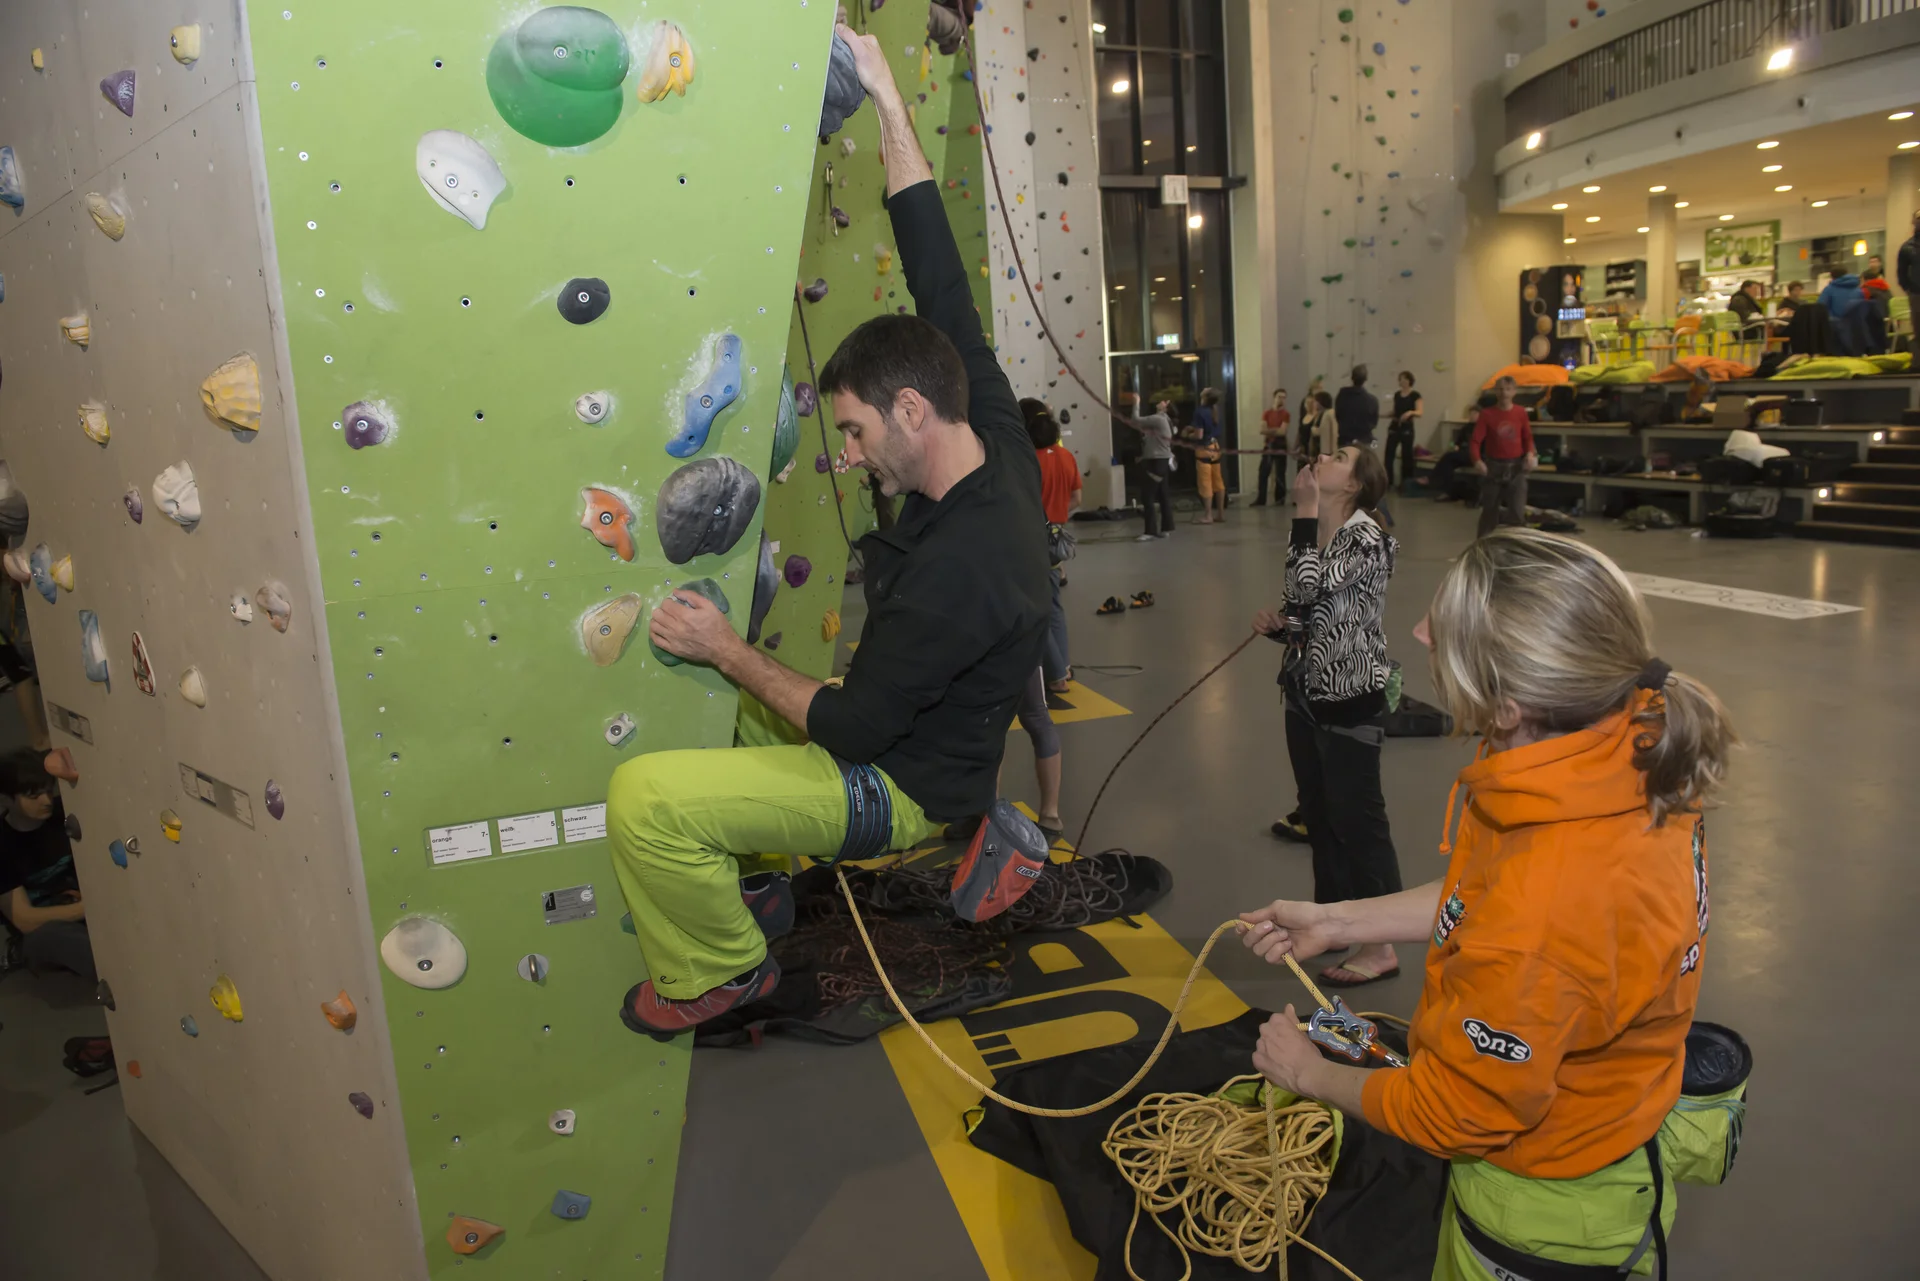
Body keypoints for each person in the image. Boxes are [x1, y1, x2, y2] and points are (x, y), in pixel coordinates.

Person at [611, 26, 1052, 1034]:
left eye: (852, 431)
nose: (846, 454)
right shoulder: (987, 431)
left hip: (892, 788)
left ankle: (722, 972)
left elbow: (852, 730)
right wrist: (889, 102)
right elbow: (938, 270)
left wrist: (726, 648)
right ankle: (757, 883)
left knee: (646, 797)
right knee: (743, 703)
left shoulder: (965, 569)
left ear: (906, 414)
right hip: (912, 735)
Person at [1240, 529, 1736, 1281]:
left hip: (1543, 1204)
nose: (1417, 632)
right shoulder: (1616, 749)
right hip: (1607, 1125)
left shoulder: (1553, 894)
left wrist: (1308, 1073)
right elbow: (1492, 900)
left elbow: (1456, 1112)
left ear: (1507, 704)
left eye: (1443, 629)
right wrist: (1341, 919)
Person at [1252, 444, 1403, 988]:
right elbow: (1310, 608)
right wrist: (1283, 629)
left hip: (1350, 695)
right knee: (1320, 815)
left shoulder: (1365, 536)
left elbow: (1306, 584)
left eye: (1338, 455)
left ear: (1355, 484)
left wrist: (1302, 511)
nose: (1322, 454)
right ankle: (1334, 921)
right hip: (1307, 693)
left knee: (1359, 824)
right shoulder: (1328, 534)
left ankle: (1381, 943)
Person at [0, 749, 92, 981]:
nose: (46, 801)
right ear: (6, 800)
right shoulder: (4, 846)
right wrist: (89, 908)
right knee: (65, 939)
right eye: (34, 796)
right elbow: (25, 919)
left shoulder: (63, 814)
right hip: (42, 931)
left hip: (79, 906)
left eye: (48, 791)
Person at [1024, 398, 1080, 692]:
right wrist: (1057, 522)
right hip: (1056, 539)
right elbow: (1077, 499)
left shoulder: (1028, 460)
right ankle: (1065, 666)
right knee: (1054, 605)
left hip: (1032, 537)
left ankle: (1056, 674)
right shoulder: (1065, 456)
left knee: (1034, 606)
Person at [1469, 376, 1536, 539]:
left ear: (1514, 392)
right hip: (1493, 468)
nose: (1504, 393)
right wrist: (1477, 460)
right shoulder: (1487, 414)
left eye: (1507, 389)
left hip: (1516, 468)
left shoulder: (1520, 413)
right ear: (1495, 391)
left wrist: (1530, 453)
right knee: (1489, 512)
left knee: (1517, 512)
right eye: (1500, 389)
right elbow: (1475, 440)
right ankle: (1483, 546)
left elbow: (1527, 437)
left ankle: (1517, 548)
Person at [1130, 395, 1176, 541]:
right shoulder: (1165, 421)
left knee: (1147, 496)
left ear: (1166, 407)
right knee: (1163, 495)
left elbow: (1135, 419)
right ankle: (1166, 528)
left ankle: (1150, 531)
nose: (1161, 401)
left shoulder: (1159, 419)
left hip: (1157, 463)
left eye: (1165, 401)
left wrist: (1136, 403)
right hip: (1162, 461)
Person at [1186, 387, 1227, 524]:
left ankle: (1208, 515)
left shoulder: (1199, 412)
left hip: (1204, 449)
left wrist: (1187, 434)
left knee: (1205, 483)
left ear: (1205, 396)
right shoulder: (1215, 410)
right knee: (1218, 482)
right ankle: (1220, 514)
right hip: (1215, 448)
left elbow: (1199, 435)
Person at [1385, 371, 1422, 492]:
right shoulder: (1397, 395)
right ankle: (1388, 482)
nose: (1400, 381)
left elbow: (1420, 411)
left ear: (1408, 380)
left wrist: (1410, 412)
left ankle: (1406, 483)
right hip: (1395, 426)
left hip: (1407, 427)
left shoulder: (1415, 395)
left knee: (1407, 455)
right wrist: (1381, 415)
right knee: (1389, 454)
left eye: (1402, 379)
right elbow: (1395, 411)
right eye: (1399, 379)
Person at [1253, 389, 1290, 506]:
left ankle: (1280, 499)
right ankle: (1261, 498)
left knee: (1280, 473)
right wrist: (1275, 430)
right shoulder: (1267, 413)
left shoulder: (1286, 414)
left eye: (1284, 397)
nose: (1282, 399)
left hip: (1280, 445)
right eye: (1279, 397)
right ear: (1274, 397)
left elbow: (1283, 432)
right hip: (1268, 445)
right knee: (1263, 472)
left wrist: (1270, 430)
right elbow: (1262, 430)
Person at [1333, 364, 1380, 447]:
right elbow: (1373, 423)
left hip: (1345, 441)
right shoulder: (1372, 400)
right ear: (1366, 379)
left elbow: (1337, 415)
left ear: (1352, 378)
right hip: (1364, 442)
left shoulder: (1342, 396)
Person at [1899, 209, 1920, 354]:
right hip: (1917, 293)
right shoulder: (1907, 248)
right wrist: (1909, 289)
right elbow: (1901, 273)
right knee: (1919, 328)